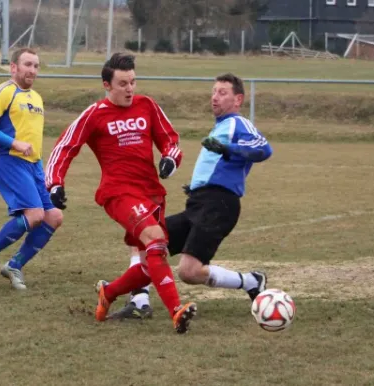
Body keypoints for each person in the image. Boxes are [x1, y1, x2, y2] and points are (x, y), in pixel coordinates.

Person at [45, 53, 197, 334]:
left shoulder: (147, 105)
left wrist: (170, 159)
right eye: (123, 83)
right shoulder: (95, 114)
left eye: (133, 82)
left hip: (151, 192)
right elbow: (64, 147)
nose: (130, 89)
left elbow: (170, 140)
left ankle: (109, 292)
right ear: (107, 85)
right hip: (118, 193)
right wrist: (55, 183)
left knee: (152, 261)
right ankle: (176, 311)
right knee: (155, 241)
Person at [109, 73, 272, 319]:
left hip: (219, 205)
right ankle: (140, 302)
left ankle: (251, 281)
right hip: (200, 203)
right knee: (143, 240)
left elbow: (263, 148)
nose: (215, 97)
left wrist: (229, 148)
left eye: (222, 92)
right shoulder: (220, 126)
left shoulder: (239, 123)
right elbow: (217, 166)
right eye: (214, 91)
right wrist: (197, 187)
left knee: (189, 271)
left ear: (238, 99)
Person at [0, 48, 63, 290]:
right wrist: (14, 143)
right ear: (14, 67)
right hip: (7, 160)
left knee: (53, 217)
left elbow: (34, 140)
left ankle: (14, 265)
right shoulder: (5, 91)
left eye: (36, 65)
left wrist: (42, 172)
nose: (32, 70)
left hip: (33, 166)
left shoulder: (36, 98)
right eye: (27, 64)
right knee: (34, 215)